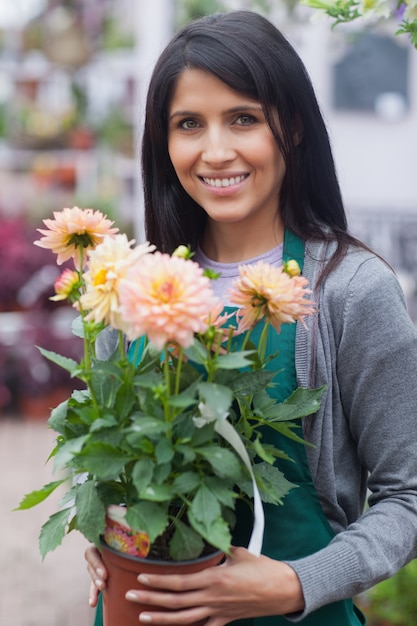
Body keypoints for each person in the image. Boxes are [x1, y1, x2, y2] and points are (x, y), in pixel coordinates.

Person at [85, 9, 417, 625]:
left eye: (244, 118)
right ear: (163, 142)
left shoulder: (352, 291)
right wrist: (108, 537)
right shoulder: (131, 286)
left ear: (290, 128)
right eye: (189, 124)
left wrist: (296, 582)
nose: (215, 151)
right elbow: (115, 469)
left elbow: (409, 498)